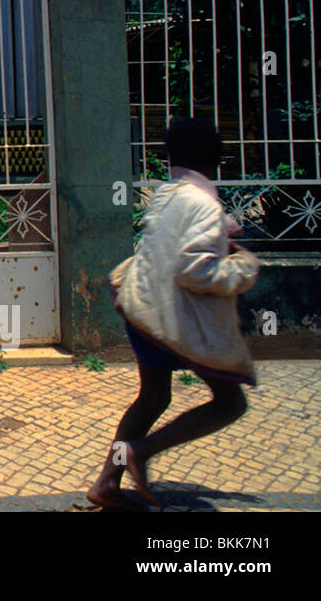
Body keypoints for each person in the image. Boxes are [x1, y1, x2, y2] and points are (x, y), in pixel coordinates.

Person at [88, 118, 259, 510]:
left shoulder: (167, 193)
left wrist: (220, 233)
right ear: (215, 158)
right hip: (172, 321)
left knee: (151, 398)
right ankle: (141, 451)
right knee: (230, 402)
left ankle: (106, 483)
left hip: (141, 311)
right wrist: (243, 266)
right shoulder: (205, 204)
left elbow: (176, 243)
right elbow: (195, 270)